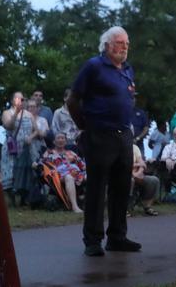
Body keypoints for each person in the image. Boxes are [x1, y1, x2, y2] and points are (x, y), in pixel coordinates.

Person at [68, 26, 141, 257]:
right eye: (120, 43)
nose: (125, 47)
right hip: (100, 134)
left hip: (123, 135)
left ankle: (117, 237)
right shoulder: (94, 66)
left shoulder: (127, 69)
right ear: (107, 44)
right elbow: (73, 99)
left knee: (122, 187)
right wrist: (84, 125)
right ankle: (92, 240)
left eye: (127, 43)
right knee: (97, 188)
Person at [0, 92, 39, 207]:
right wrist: (16, 112)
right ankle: (11, 201)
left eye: (22, 99)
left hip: (26, 148)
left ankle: (23, 200)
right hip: (12, 148)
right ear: (12, 100)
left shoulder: (29, 114)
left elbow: (36, 130)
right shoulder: (6, 113)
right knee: (10, 174)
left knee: (24, 173)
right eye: (17, 98)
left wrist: (31, 137)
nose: (20, 101)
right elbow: (9, 126)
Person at [37, 133, 86, 213]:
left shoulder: (71, 153)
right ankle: (74, 206)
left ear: (66, 141)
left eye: (63, 138)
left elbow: (82, 165)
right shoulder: (49, 153)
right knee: (69, 177)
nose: (61, 140)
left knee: (93, 175)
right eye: (58, 138)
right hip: (61, 176)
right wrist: (36, 165)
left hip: (78, 174)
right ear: (54, 141)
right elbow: (41, 164)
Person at [130, 144, 160, 216]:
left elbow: (142, 164)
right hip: (121, 175)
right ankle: (124, 208)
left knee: (153, 180)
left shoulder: (134, 147)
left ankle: (147, 207)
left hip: (137, 174)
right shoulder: (116, 146)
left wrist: (138, 173)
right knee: (130, 181)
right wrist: (136, 167)